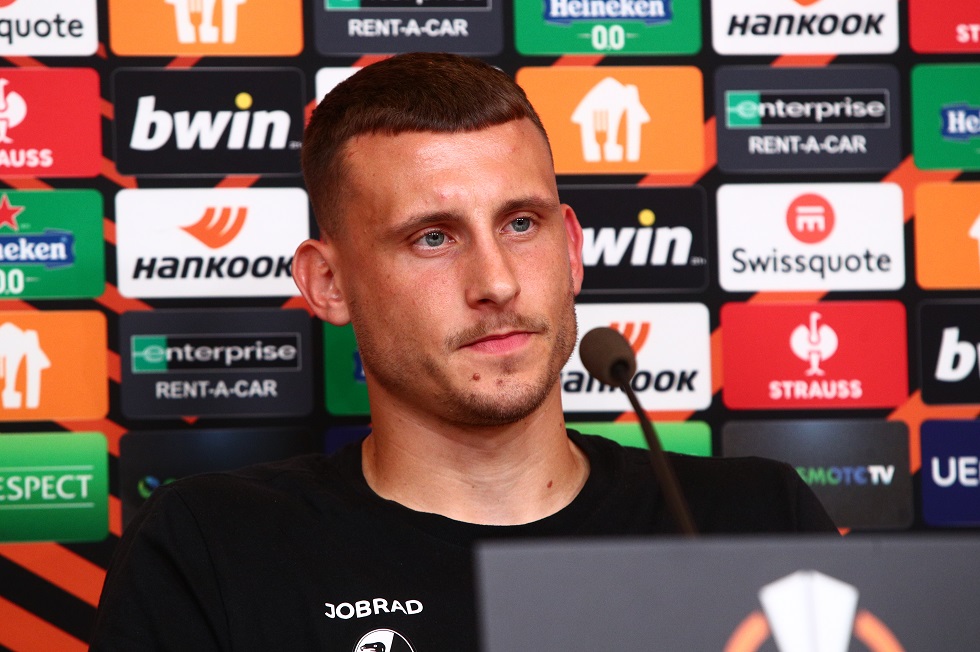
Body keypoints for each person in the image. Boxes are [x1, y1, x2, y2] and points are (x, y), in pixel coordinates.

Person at [90, 52, 836, 651]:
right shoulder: (214, 547)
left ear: (572, 250)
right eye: (432, 238)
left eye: (521, 224)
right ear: (328, 284)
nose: (497, 283)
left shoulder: (754, 518)